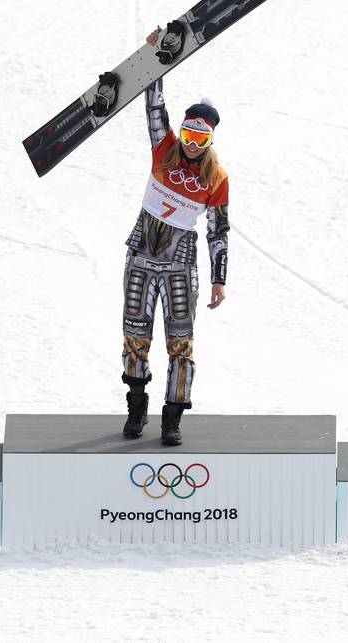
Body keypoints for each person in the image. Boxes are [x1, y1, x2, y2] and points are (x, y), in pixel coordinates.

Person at [121, 25, 230, 447]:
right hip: (141, 254)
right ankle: (136, 408)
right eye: (189, 135)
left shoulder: (216, 177)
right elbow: (154, 105)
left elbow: (218, 231)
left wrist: (219, 279)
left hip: (180, 265)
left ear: (211, 141)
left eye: (201, 139)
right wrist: (154, 58)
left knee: (180, 341)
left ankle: (171, 419)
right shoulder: (164, 148)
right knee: (135, 333)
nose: (192, 145)